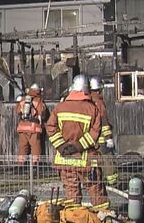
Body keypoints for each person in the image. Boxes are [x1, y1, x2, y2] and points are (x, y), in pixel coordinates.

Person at [46, 74, 108, 206]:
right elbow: (95, 133)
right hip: (86, 161)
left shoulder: (59, 107)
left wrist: (62, 146)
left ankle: (74, 222)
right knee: (96, 191)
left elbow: (50, 127)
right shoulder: (92, 109)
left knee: (71, 194)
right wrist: (78, 147)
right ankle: (102, 220)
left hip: (65, 161)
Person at [89, 77, 118, 188]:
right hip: (101, 138)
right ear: (99, 89)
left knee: (94, 161)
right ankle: (113, 183)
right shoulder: (99, 102)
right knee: (108, 160)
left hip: (90, 139)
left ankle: (95, 180)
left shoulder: (87, 101)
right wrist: (108, 137)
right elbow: (104, 121)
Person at [15, 83, 47, 164]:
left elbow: (18, 111)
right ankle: (35, 165)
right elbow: (43, 113)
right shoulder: (38, 100)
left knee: (23, 147)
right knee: (35, 147)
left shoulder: (23, 99)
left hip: (22, 127)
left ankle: (20, 165)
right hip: (34, 128)